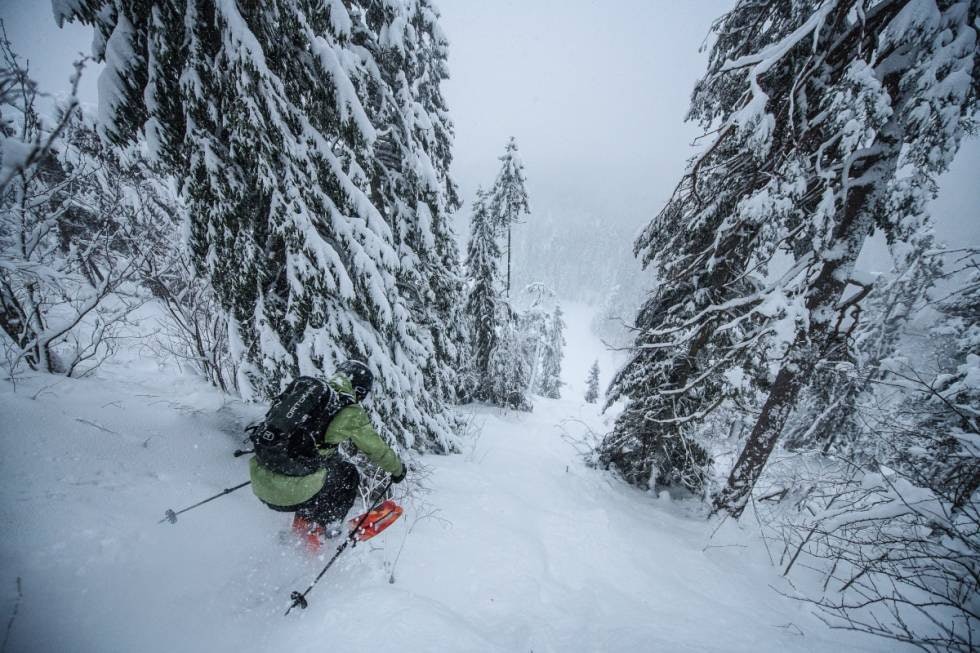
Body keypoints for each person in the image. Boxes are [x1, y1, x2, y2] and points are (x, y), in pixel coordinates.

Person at [249, 360, 406, 551]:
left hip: (259, 480)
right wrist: (398, 470)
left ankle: (302, 526)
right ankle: (323, 529)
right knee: (348, 475)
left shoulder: (308, 393)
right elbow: (377, 449)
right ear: (360, 390)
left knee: (328, 468)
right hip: (291, 494)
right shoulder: (349, 410)